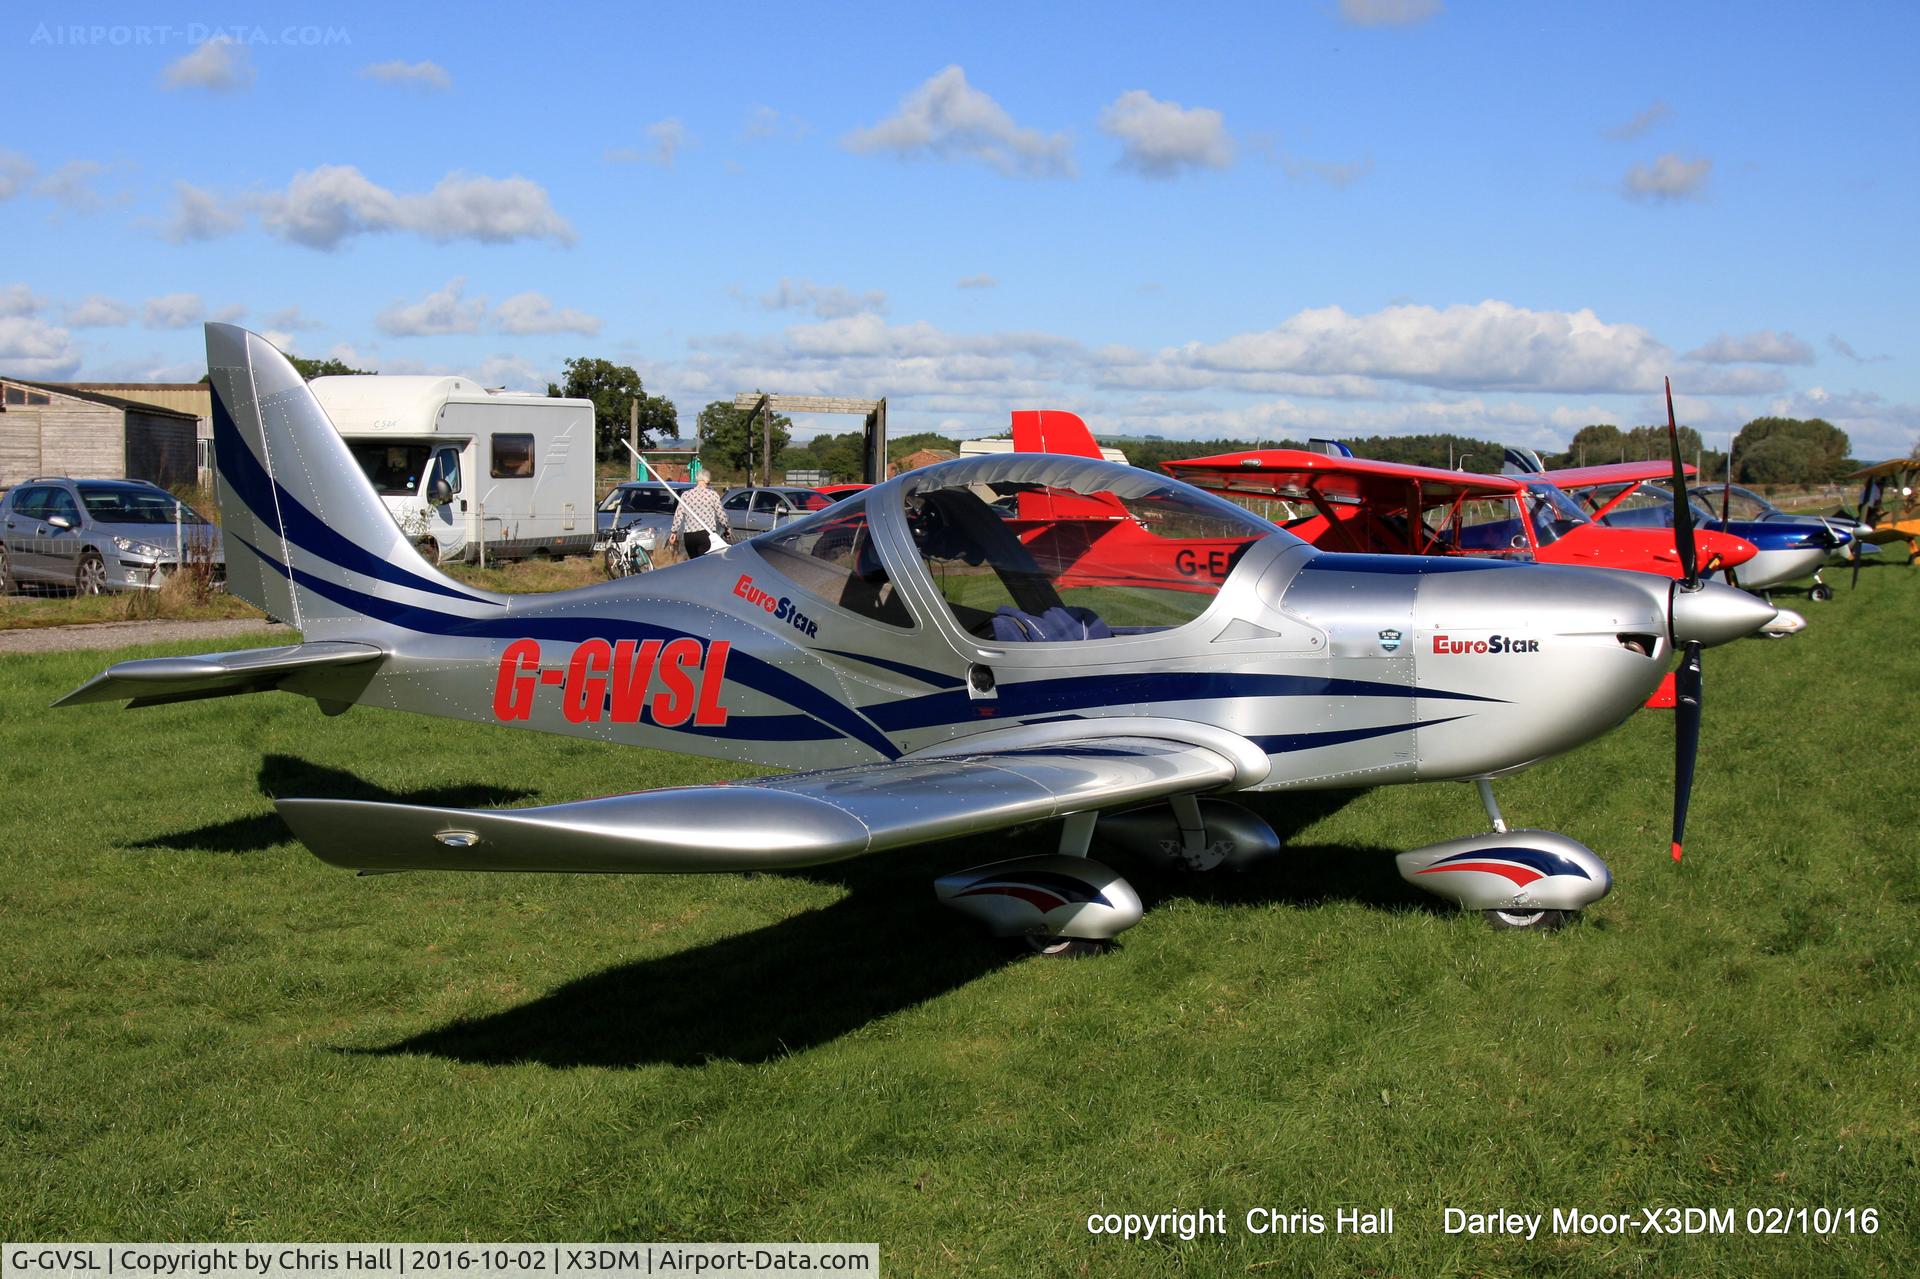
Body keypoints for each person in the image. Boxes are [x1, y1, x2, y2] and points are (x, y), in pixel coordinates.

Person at [671, 470, 726, 558]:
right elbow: (721, 514)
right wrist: (726, 528)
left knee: (694, 562)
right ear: (707, 481)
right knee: (704, 563)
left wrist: (674, 531)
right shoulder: (712, 495)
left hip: (689, 536)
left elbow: (678, 514)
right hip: (706, 534)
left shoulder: (686, 495)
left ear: (697, 480)